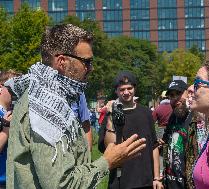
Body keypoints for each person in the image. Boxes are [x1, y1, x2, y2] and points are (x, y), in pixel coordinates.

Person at [5, 24, 146, 188]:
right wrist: (107, 162)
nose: (91, 68)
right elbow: (60, 185)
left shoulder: (50, 98)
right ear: (62, 62)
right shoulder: (44, 106)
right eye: (86, 62)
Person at [98, 71, 163, 189]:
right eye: (122, 89)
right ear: (116, 91)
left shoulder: (147, 113)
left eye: (129, 88)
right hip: (121, 182)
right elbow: (109, 147)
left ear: (135, 88)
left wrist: (156, 178)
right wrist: (111, 117)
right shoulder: (110, 115)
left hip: (146, 181)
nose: (126, 92)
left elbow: (154, 146)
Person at [162, 80, 198, 189]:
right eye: (172, 95)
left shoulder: (196, 118)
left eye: (179, 93)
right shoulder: (173, 117)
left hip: (189, 184)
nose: (175, 98)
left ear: (188, 93)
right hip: (170, 183)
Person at [0, 70, 21, 189]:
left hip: (15, 180)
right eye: (13, 88)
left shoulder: (15, 113)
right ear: (1, 87)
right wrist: (6, 128)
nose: (16, 93)